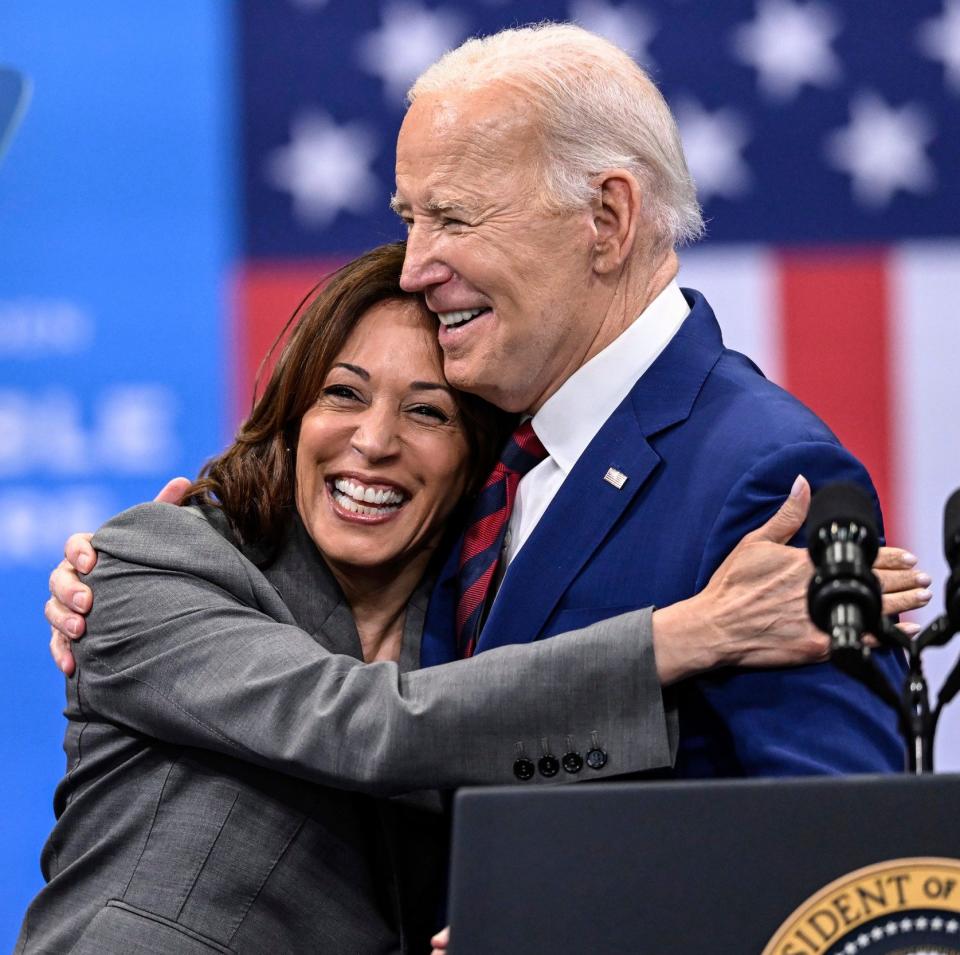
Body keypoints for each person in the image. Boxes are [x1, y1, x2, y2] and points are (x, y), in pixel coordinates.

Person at [22, 243, 883, 955]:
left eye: (427, 412)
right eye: (343, 394)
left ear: (478, 461)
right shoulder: (153, 560)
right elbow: (365, 724)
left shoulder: (470, 633)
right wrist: (693, 632)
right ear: (291, 413)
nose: (372, 442)